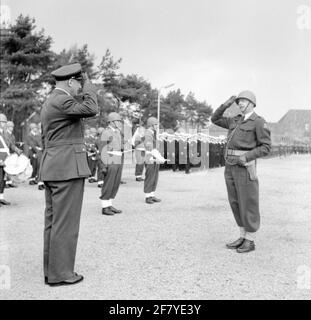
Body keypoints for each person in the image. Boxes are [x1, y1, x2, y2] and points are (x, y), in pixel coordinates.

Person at [40, 63, 98, 286]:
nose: (80, 88)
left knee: (54, 222)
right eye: (79, 83)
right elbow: (91, 109)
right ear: (71, 81)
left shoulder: (51, 100)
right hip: (66, 168)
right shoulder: (62, 99)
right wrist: (90, 86)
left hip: (56, 166)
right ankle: (61, 274)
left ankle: (52, 271)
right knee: (66, 223)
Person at [211, 91, 271, 253]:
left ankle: (250, 240)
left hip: (245, 166)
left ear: (252, 103)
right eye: (239, 101)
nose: (240, 103)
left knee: (248, 201)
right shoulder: (235, 120)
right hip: (230, 166)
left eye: (244, 101)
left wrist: (247, 157)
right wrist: (226, 104)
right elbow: (214, 119)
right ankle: (242, 235)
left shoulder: (258, 122)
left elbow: (266, 147)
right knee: (235, 201)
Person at [99, 112, 123, 215]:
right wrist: (104, 165)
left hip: (118, 159)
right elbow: (102, 149)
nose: (119, 122)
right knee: (109, 183)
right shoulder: (106, 132)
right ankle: (105, 207)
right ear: (111, 122)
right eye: (117, 121)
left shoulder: (117, 132)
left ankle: (110, 204)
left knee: (115, 183)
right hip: (110, 159)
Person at [0, 114, 22, 205]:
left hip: (6, 159)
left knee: (3, 180)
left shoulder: (6, 133)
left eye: (5, 122)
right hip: (0, 159)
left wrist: (17, 150)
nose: (3, 124)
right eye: (2, 122)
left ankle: (1, 197)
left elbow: (10, 145)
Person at [144, 117, 161, 204]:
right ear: (151, 125)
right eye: (156, 124)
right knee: (150, 176)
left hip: (155, 157)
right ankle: (147, 196)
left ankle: (152, 194)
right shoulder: (148, 134)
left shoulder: (153, 133)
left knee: (155, 177)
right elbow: (149, 147)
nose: (157, 126)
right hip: (150, 157)